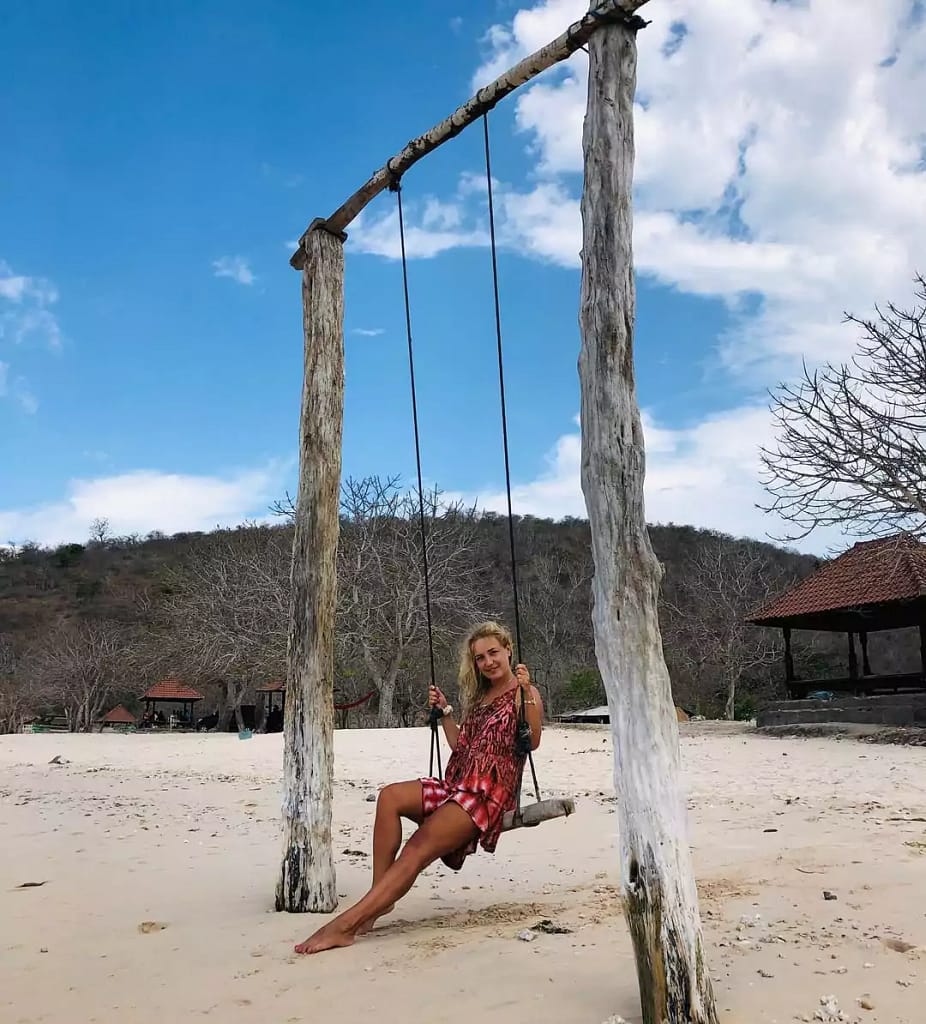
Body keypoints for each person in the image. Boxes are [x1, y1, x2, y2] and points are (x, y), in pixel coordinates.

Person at [295, 620, 544, 955]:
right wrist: (444, 713)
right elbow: (462, 748)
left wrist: (527, 692)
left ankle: (346, 926)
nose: (488, 662)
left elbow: (534, 741)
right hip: (457, 784)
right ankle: (379, 899)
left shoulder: (523, 694)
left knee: (416, 849)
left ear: (508, 650)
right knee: (390, 797)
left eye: (493, 653)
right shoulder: (482, 698)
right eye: (480, 658)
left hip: (485, 796)